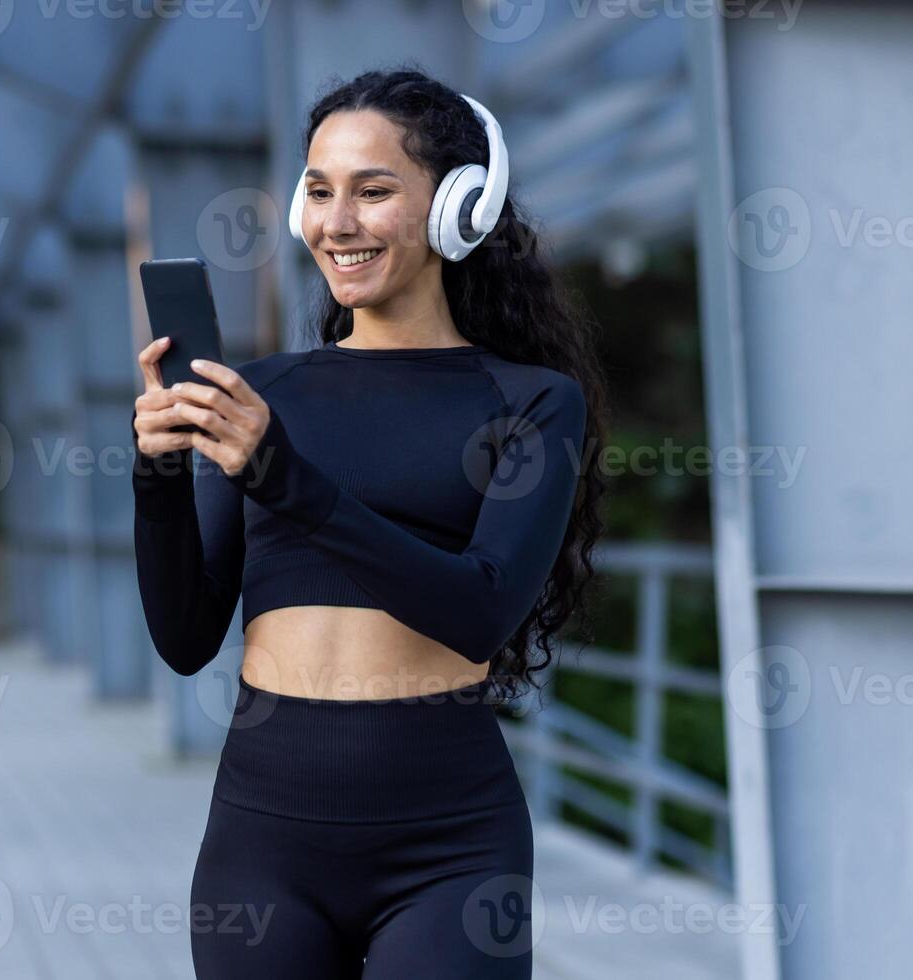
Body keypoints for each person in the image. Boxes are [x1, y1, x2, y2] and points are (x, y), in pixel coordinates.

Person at [130, 66, 608, 980]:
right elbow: (188, 636)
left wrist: (282, 476)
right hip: (262, 836)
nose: (335, 223)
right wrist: (156, 471)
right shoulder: (266, 395)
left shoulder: (531, 403)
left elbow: (479, 612)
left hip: (451, 846)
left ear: (458, 207)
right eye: (317, 191)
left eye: (372, 191)